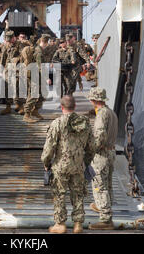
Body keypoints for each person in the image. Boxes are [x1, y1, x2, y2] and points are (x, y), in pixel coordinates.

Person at [41, 95, 95, 234]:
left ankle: (60, 224)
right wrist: (86, 162)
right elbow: (91, 147)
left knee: (59, 194)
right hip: (78, 165)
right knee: (78, 194)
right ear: (75, 107)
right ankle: (78, 224)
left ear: (62, 107)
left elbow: (49, 148)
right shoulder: (85, 123)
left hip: (60, 166)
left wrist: (46, 163)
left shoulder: (57, 124)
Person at [87, 87, 118, 230]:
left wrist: (90, 150)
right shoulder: (111, 113)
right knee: (108, 183)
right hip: (111, 153)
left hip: (101, 155)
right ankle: (103, 206)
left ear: (94, 100)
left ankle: (105, 219)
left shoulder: (101, 114)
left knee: (99, 186)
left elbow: (99, 137)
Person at [0, 30, 21, 115]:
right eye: (7, 40)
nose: (8, 42)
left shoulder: (20, 45)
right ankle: (8, 106)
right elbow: (3, 57)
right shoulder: (6, 46)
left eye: (9, 40)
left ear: (13, 38)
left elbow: (24, 56)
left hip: (18, 69)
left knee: (17, 87)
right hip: (8, 69)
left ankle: (19, 105)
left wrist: (17, 59)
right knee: (7, 87)